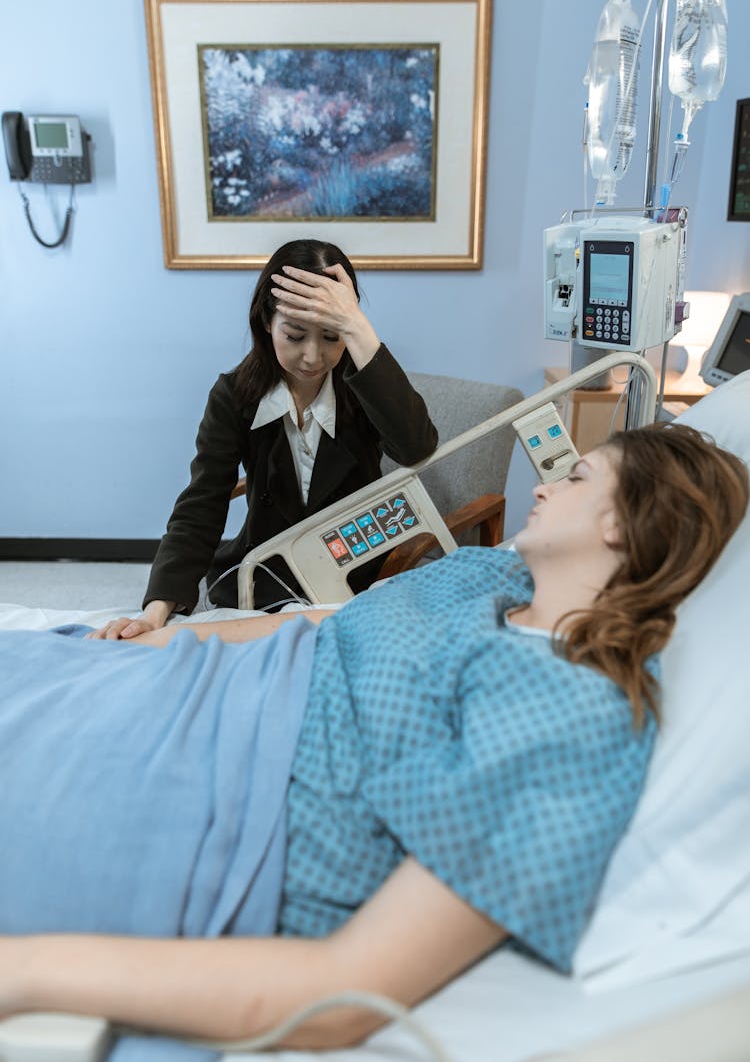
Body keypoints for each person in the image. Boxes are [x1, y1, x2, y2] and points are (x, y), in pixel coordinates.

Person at [0, 424, 746, 1053]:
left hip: (216, 789)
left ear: (624, 521)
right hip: (181, 689)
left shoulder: (574, 715)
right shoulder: (490, 573)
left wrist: (24, 971)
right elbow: (317, 623)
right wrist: (146, 647)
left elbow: (348, 989)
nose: (546, 485)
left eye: (577, 476)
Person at [94, 238, 437, 638]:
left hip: (355, 575)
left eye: (331, 336)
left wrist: (357, 326)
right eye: (294, 336)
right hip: (266, 575)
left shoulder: (366, 387)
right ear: (266, 322)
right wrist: (156, 611)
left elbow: (416, 448)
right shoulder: (234, 395)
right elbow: (201, 503)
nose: (312, 357)